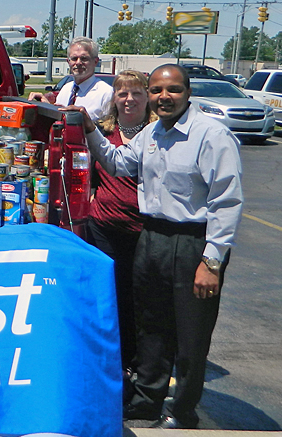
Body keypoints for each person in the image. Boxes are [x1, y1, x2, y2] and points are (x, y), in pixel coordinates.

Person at [66, 64, 243, 429]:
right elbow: (117, 164)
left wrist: (211, 262)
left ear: (188, 93)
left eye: (173, 90)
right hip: (152, 237)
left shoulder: (211, 136)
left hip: (194, 242)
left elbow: (226, 202)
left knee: (190, 333)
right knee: (151, 326)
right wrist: (91, 129)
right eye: (159, 90)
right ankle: (147, 401)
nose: (165, 97)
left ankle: (182, 411)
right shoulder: (151, 134)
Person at [86, 70, 155, 396]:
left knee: (141, 302)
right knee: (110, 298)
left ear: (147, 97)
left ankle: (139, 366)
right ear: (114, 98)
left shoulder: (159, 133)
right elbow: (92, 173)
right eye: (122, 93)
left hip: (144, 231)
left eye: (136, 93)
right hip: (104, 227)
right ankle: (113, 364)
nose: (129, 99)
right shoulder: (102, 131)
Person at [29, 36, 113, 121]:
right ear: (68, 62)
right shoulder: (66, 89)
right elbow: (60, 120)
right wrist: (46, 106)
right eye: (74, 58)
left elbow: (109, 131)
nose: (78, 63)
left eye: (84, 58)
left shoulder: (106, 93)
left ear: (95, 62)